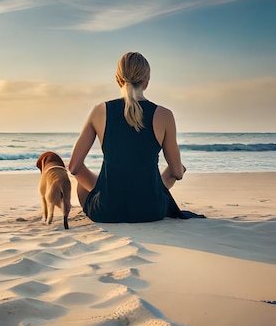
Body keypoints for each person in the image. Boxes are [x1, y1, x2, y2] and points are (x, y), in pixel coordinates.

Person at [68, 51, 204, 223]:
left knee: (84, 184)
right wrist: (177, 169)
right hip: (151, 211)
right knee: (177, 168)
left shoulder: (99, 111)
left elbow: (73, 167)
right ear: (146, 81)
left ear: (118, 79)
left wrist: (101, 185)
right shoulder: (165, 115)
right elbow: (177, 173)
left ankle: (108, 193)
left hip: (107, 211)